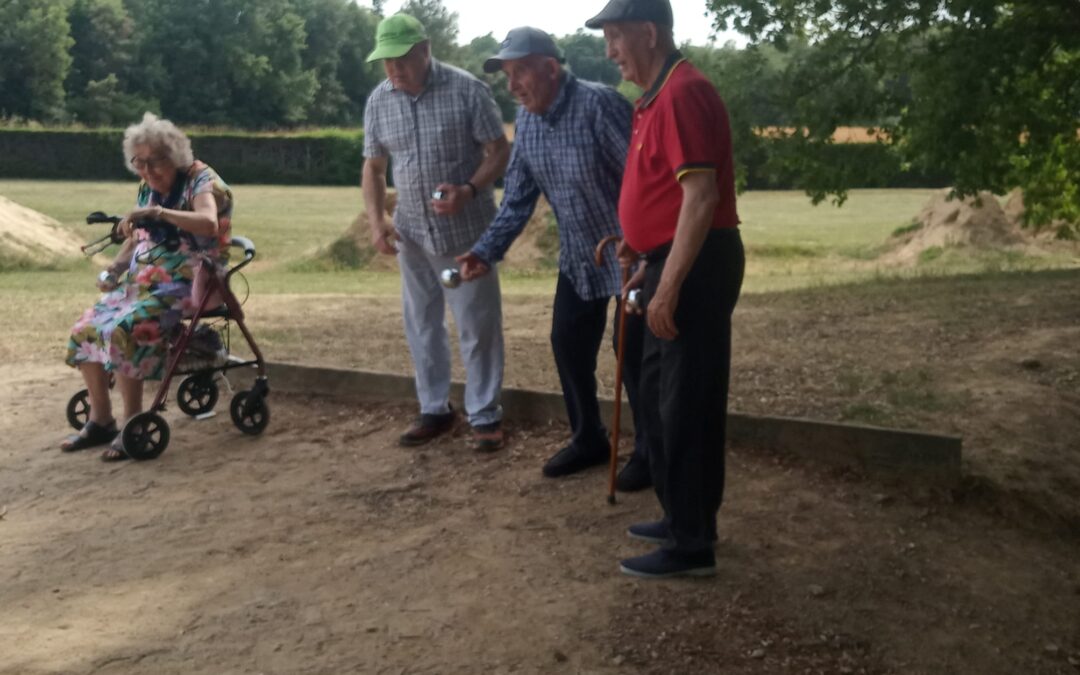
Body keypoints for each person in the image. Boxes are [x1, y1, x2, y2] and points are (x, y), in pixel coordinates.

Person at [586, 0, 746, 577]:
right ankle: (685, 516)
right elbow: (667, 195)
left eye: (615, 37)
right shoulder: (653, 99)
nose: (609, 51)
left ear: (649, 33)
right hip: (668, 259)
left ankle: (691, 545)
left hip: (698, 266)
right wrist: (645, 250)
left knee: (686, 405)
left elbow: (701, 198)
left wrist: (669, 284)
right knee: (660, 396)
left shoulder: (683, 93)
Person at [456, 26, 651, 488]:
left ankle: (651, 450)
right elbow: (518, 200)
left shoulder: (599, 105)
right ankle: (589, 438)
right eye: (507, 75)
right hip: (581, 258)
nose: (513, 85)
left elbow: (643, 180)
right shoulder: (525, 121)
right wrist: (486, 250)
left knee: (634, 355)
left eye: (520, 71)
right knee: (567, 342)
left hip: (630, 253)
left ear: (550, 67)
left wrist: (645, 247)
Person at [362, 14, 511, 452]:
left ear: (425, 50)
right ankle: (435, 409)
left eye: (402, 59)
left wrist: (469, 188)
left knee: (476, 322)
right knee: (421, 322)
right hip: (411, 234)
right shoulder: (379, 100)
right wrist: (376, 221)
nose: (394, 69)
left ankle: (485, 415)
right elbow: (373, 167)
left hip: (466, 232)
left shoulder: (467, 89)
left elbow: (499, 150)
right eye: (386, 61)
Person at [63, 112, 233, 461]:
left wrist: (160, 214)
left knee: (127, 330)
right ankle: (101, 420)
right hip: (145, 281)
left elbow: (208, 223)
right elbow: (140, 235)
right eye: (139, 162)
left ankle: (133, 423)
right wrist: (115, 268)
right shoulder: (149, 186)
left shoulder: (202, 180)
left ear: (176, 156)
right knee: (85, 329)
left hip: (191, 282)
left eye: (154, 162)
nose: (147, 171)